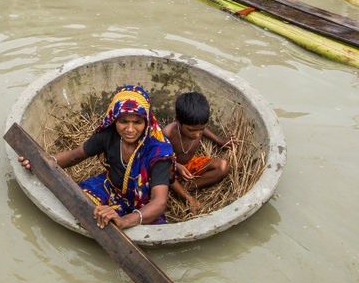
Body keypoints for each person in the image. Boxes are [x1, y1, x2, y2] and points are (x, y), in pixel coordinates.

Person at [17, 85, 175, 229]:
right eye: (123, 121)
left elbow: (159, 202)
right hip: (112, 190)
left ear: (146, 122)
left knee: (144, 228)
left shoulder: (158, 152)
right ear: (114, 120)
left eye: (137, 122)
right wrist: (41, 162)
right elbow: (75, 156)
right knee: (78, 204)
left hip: (144, 205)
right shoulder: (109, 135)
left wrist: (124, 221)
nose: (130, 129)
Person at [163, 92, 232, 214]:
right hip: (169, 168)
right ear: (178, 121)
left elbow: (202, 129)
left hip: (190, 164)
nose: (197, 134)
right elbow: (161, 159)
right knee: (164, 175)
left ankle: (188, 187)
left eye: (201, 129)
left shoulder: (197, 128)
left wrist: (220, 141)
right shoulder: (168, 134)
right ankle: (184, 195)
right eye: (191, 130)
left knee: (223, 166)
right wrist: (177, 166)